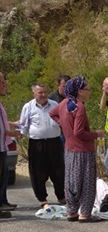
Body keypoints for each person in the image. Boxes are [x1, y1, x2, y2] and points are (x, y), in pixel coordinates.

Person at [49, 76, 104, 222]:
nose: (89, 92)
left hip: (70, 149)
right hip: (83, 150)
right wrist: (96, 134)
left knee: (71, 181)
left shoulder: (64, 104)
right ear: (79, 91)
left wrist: (64, 124)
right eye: (87, 89)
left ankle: (72, 211)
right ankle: (85, 213)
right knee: (86, 182)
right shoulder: (79, 107)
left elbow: (52, 113)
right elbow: (79, 132)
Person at [19, 82, 66, 207]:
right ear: (34, 93)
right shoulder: (28, 107)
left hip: (55, 142)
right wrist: (18, 134)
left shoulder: (55, 105)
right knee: (38, 172)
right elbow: (23, 125)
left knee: (59, 171)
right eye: (40, 92)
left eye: (45, 92)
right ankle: (42, 199)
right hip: (37, 144)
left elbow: (63, 121)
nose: (43, 95)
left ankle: (61, 196)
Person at [0, 72, 23, 218]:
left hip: (2, 146)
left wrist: (12, 128)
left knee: (3, 177)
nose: (5, 84)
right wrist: (11, 133)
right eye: (2, 81)